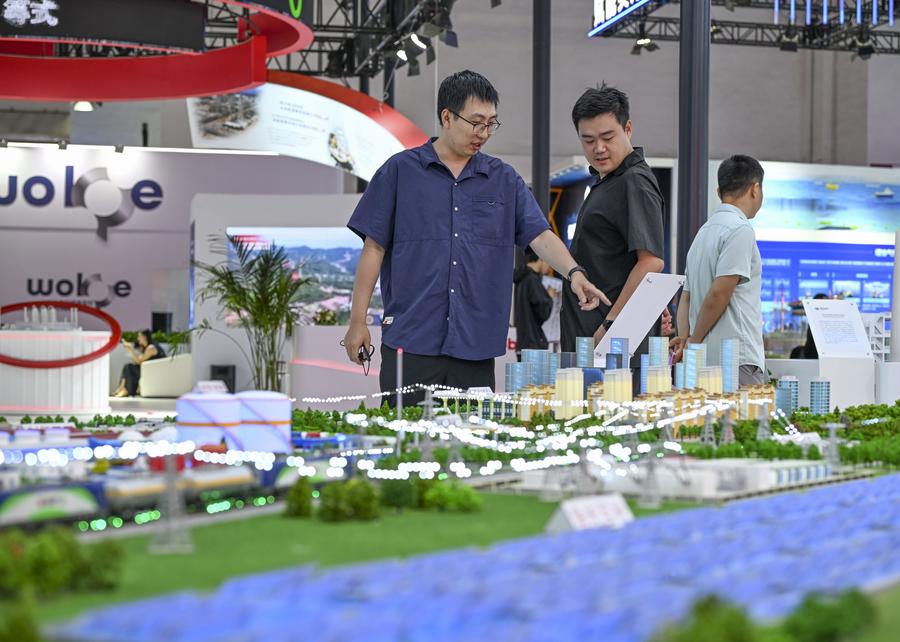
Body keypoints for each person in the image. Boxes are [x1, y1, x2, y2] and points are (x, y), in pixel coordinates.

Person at [343, 70, 609, 405]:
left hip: (476, 344)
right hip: (410, 341)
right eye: (476, 122)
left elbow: (540, 236)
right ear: (447, 117)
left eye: (491, 124)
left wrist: (574, 273)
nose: (483, 133)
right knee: (403, 434)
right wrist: (357, 321)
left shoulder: (504, 180)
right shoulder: (399, 172)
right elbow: (373, 248)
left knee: (472, 435)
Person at [560, 84, 665, 375]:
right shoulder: (608, 180)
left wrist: (610, 325)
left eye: (608, 137)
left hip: (611, 346)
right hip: (596, 339)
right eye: (588, 140)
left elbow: (651, 261)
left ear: (628, 129)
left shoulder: (634, 181)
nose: (598, 148)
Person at [671, 155, 766, 385]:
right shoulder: (740, 230)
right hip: (735, 361)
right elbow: (719, 293)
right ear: (755, 189)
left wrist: (685, 338)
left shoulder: (703, 233)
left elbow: (686, 297)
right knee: (748, 410)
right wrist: (693, 341)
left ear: (718, 191)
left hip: (703, 363)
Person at [513, 250, 555, 358]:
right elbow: (543, 312)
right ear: (541, 259)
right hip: (533, 343)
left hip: (523, 342)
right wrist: (549, 297)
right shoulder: (532, 280)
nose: (549, 268)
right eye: (549, 263)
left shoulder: (521, 278)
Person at [113, 329, 165, 397]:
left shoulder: (151, 348)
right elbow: (138, 361)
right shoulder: (146, 347)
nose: (138, 339)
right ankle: (122, 388)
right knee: (128, 366)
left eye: (139, 336)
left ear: (144, 337)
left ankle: (125, 390)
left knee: (129, 367)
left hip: (154, 372)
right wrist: (131, 349)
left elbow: (138, 362)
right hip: (149, 370)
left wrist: (130, 349)